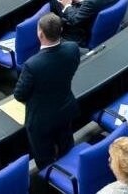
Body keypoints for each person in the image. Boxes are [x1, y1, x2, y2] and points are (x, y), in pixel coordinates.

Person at [13, 13, 80, 169]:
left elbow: (19, 94)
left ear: (40, 34)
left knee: (44, 160)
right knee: (67, 148)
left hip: (41, 121)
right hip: (65, 110)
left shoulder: (32, 64)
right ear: (61, 30)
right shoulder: (72, 48)